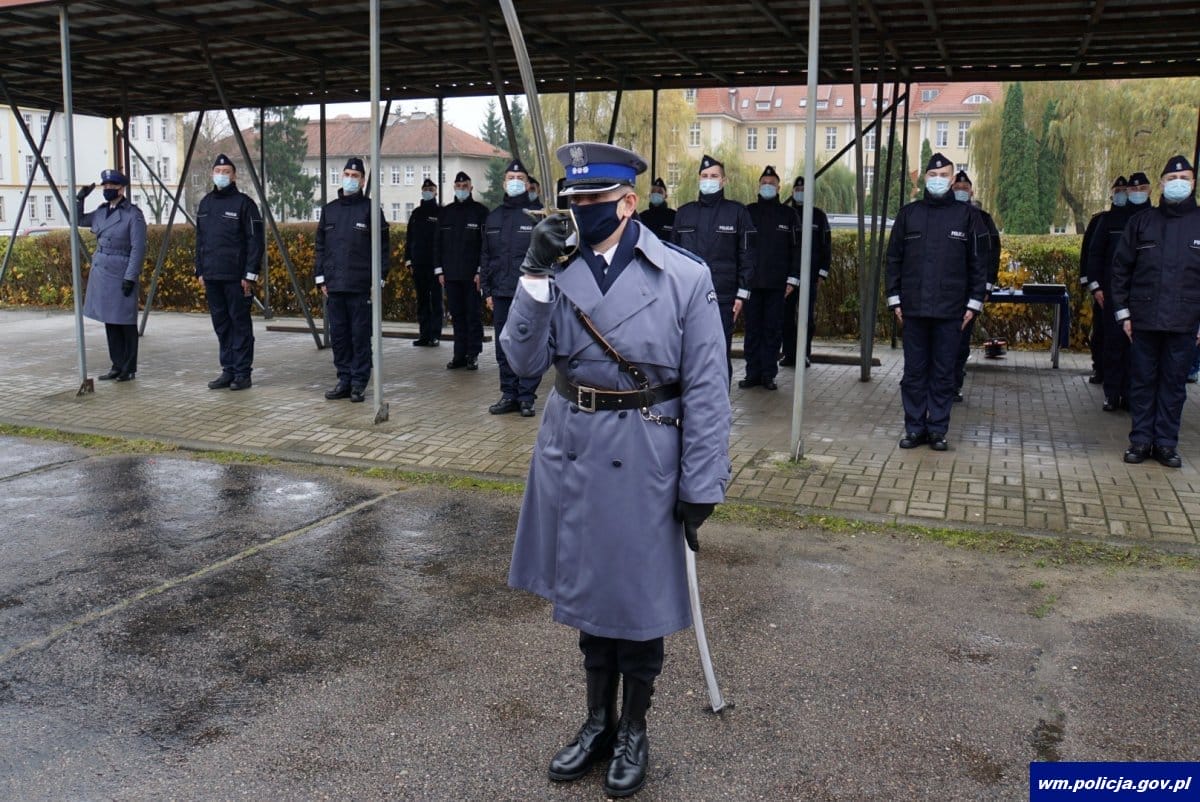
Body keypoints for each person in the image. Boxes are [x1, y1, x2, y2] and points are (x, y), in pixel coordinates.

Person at [501, 141, 731, 799]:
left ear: (627, 203)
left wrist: (703, 482)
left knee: (638, 602)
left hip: (648, 450)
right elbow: (520, 364)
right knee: (590, 598)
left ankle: (634, 729)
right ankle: (597, 722)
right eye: (573, 203)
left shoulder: (684, 277)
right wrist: (533, 275)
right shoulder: (558, 268)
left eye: (595, 203)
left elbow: (710, 389)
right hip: (572, 448)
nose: (581, 214)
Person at [886, 153, 986, 450]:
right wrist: (894, 299)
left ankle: (938, 429)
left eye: (944, 175)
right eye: (933, 175)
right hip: (914, 309)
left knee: (943, 372)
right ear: (925, 179)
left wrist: (973, 304)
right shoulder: (909, 215)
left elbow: (978, 264)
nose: (939, 180)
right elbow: (893, 260)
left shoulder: (967, 217)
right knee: (914, 372)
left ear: (953, 180)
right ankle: (914, 428)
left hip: (950, 310)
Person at [1110, 155, 1200, 469]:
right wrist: (1123, 313)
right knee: (1143, 382)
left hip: (1184, 321)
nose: (1178, 184)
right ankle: (1140, 441)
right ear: (1161, 184)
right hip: (1144, 320)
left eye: (1184, 179)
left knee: (1173, 386)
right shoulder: (1142, 222)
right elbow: (1121, 270)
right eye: (1172, 179)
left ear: (1193, 183)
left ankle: (1165, 444)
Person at [672, 154, 757, 376]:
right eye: (704, 176)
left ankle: (719, 407)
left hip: (723, 297)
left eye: (714, 176)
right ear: (698, 179)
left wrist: (742, 294)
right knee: (687, 355)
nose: (708, 179)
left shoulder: (737, 213)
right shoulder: (684, 213)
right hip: (686, 297)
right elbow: (671, 257)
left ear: (723, 181)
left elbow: (747, 255)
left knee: (718, 354)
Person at [314, 157, 390, 403]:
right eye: (347, 174)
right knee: (339, 336)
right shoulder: (330, 210)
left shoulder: (371, 209)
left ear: (363, 180)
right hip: (334, 286)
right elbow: (320, 246)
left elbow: (382, 247)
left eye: (355, 176)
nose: (350, 179)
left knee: (359, 336)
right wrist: (320, 278)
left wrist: (379, 278)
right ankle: (344, 380)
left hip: (360, 287)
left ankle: (359, 383)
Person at [195, 153, 263, 391]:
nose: (221, 175)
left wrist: (250, 275)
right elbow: (200, 240)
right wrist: (200, 271)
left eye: (226, 171)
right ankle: (228, 370)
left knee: (240, 325)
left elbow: (256, 242)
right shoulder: (205, 203)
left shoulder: (245, 204)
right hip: (212, 276)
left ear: (234, 176)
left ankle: (243, 373)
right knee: (222, 325)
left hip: (237, 279)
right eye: (218, 171)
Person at [481, 158, 541, 416]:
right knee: (504, 345)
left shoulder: (538, 216)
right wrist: (486, 290)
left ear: (528, 185)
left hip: (529, 292)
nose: (515, 183)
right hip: (502, 292)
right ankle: (509, 393)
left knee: (527, 343)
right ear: (503, 183)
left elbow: (547, 255)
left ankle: (526, 396)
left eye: (520, 180)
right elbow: (485, 256)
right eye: (511, 179)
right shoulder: (493, 217)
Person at [77, 169, 146, 382]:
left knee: (125, 322)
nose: (107, 190)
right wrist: (80, 198)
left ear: (121, 188)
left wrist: (130, 276)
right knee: (110, 321)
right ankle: (116, 364)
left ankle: (129, 367)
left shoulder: (132, 214)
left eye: (111, 187)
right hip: (103, 270)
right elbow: (78, 220)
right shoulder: (101, 211)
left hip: (121, 270)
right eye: (105, 187)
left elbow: (138, 248)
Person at [1087, 171, 1147, 411]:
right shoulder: (1108, 220)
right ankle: (1112, 393)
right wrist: (1096, 287)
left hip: (1143, 296)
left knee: (1138, 349)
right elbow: (1095, 254)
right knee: (1113, 345)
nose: (1134, 193)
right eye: (1131, 190)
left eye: (1141, 188)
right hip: (1114, 293)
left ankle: (1132, 395)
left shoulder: (1153, 219)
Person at [741, 165, 801, 390]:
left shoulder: (789, 215)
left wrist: (792, 279)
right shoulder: (748, 212)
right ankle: (752, 373)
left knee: (772, 330)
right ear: (759, 185)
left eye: (771, 183)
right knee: (753, 329)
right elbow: (741, 248)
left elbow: (797, 250)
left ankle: (768, 374)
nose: (767, 186)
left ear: (778, 187)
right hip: (753, 283)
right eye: (764, 183)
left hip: (778, 285)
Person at [950, 171, 1001, 402]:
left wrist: (985, 287)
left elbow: (991, 254)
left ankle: (954, 384)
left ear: (972, 191)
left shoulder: (982, 218)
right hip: (944, 290)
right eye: (957, 186)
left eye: (964, 186)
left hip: (968, 293)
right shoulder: (943, 215)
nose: (961, 189)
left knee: (960, 342)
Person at [436, 171, 487, 371]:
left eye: (464, 186)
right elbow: (437, 244)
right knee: (457, 315)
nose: (461, 189)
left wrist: (481, 271)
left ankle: (473, 354)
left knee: (472, 315)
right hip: (451, 274)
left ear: (471, 187)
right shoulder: (446, 213)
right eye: (458, 186)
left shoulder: (480, 212)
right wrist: (439, 271)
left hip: (472, 274)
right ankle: (459, 354)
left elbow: (485, 246)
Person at [1079, 177, 1126, 385]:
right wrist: (1091, 284)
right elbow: (1089, 253)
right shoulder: (1100, 220)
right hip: (1104, 291)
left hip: (1129, 291)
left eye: (1126, 189)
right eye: (1118, 190)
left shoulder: (1141, 219)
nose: (1122, 193)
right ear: (1112, 193)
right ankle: (1100, 368)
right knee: (1101, 332)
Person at [781, 175, 831, 368]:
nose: (800, 193)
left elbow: (826, 245)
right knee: (786, 317)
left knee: (806, 318)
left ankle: (804, 354)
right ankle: (788, 354)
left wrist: (822, 273)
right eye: (797, 189)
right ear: (792, 192)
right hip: (787, 277)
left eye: (804, 190)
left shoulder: (818, 215)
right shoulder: (786, 214)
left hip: (809, 276)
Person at [406, 178, 442, 347]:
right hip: (418, 264)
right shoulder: (416, 213)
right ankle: (424, 334)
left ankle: (435, 335)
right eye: (425, 188)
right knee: (422, 300)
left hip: (435, 265)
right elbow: (409, 238)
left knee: (435, 300)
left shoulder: (441, 212)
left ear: (435, 192)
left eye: (430, 188)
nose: (427, 191)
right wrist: (409, 260)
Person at [639, 177, 675, 241]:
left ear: (665, 196)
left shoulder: (673, 216)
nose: (656, 194)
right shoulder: (642, 217)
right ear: (650, 195)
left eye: (660, 192)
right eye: (653, 191)